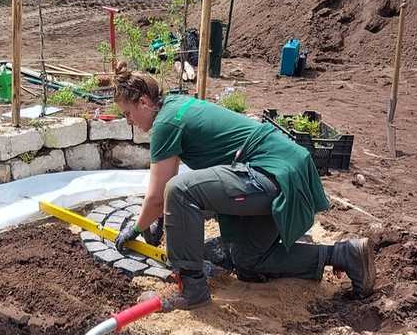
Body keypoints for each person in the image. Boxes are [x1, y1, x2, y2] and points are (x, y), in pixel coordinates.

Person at [110, 64, 375, 310]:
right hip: (285, 170)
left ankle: (192, 289)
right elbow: (168, 186)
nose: (129, 121)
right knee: (249, 261)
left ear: (143, 102)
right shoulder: (174, 106)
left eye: (128, 113)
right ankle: (344, 254)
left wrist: (136, 228)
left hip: (272, 172)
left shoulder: (164, 125)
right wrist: (160, 217)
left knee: (181, 190)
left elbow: (159, 195)